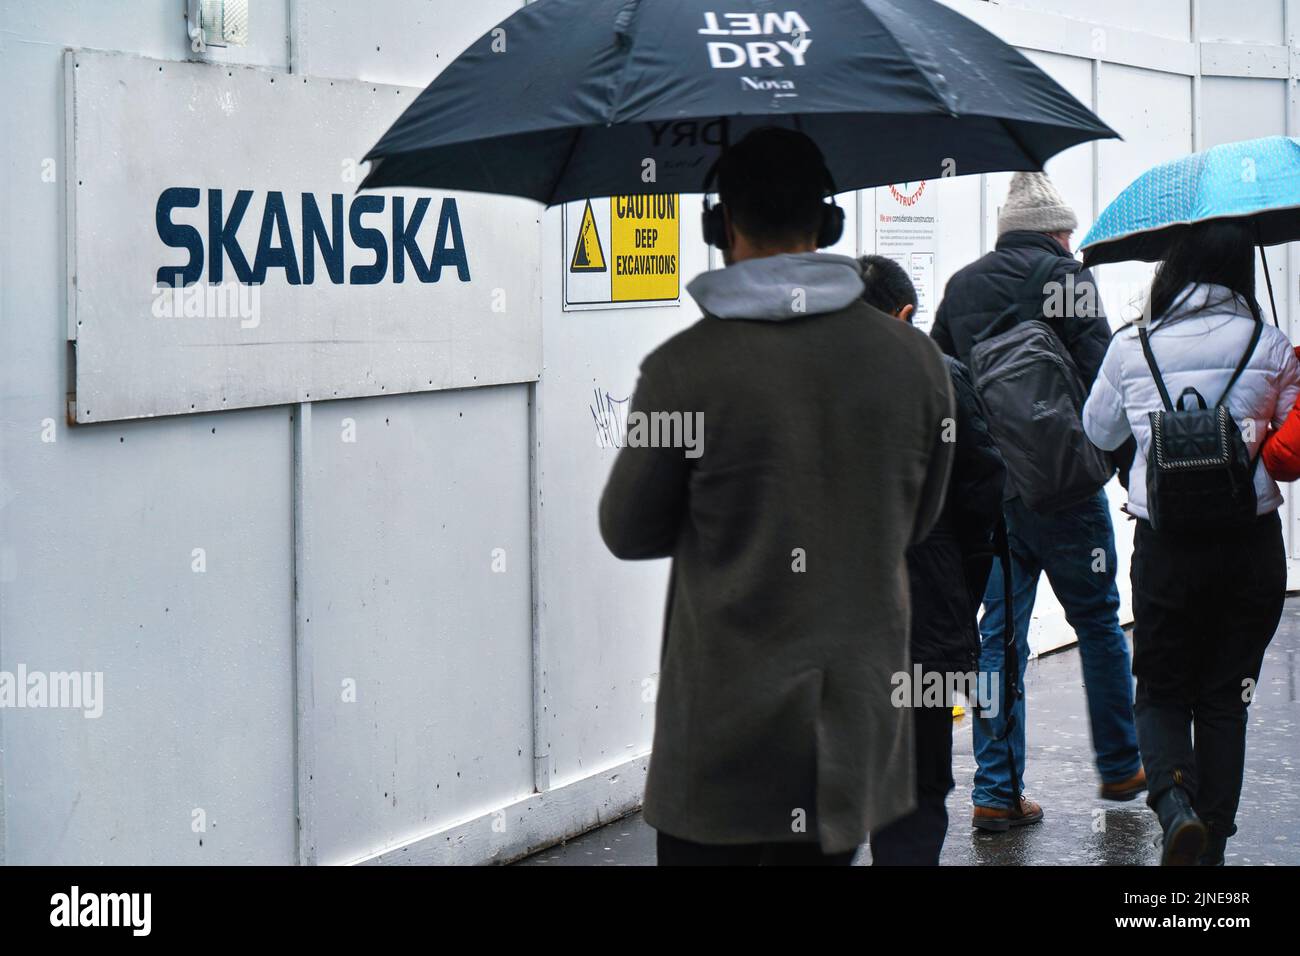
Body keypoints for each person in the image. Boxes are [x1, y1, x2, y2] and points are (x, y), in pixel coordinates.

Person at [599, 128, 956, 866]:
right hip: (847, 732)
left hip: (721, 741)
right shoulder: (915, 359)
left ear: (720, 226)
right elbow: (918, 520)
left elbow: (627, 530)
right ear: (829, 224)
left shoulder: (682, 369)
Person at [931, 171, 1144, 831]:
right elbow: (1105, 382)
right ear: (1056, 230)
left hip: (993, 497)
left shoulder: (963, 285)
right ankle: (1119, 763)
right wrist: (1120, 469)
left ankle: (995, 791)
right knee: (1100, 623)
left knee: (1000, 637)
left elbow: (941, 383)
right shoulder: (1068, 279)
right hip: (1065, 492)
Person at [1083, 219, 1300, 865]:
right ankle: (1213, 851)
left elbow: (1097, 431)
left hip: (1167, 546)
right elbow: (1288, 440)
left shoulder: (1131, 345)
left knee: (1161, 688)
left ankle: (1174, 804)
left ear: (1172, 269)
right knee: (1225, 698)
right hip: (1249, 545)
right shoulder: (1273, 344)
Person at [859, 255, 1006, 865]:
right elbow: (983, 492)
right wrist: (959, 591)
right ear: (907, 314)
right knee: (922, 783)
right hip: (927, 616)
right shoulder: (942, 378)